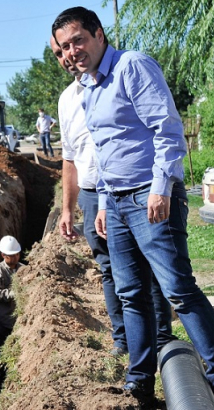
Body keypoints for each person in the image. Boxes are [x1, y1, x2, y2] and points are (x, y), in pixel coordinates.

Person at [52, 7, 214, 410]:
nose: (72, 51)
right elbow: (105, 152)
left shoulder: (132, 67)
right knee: (130, 294)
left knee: (179, 291)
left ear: (98, 35)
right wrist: (104, 203)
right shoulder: (88, 88)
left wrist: (161, 188)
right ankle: (139, 381)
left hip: (150, 198)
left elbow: (168, 129)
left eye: (78, 41)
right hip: (118, 203)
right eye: (64, 47)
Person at [50, 36, 175, 358]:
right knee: (110, 270)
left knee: (151, 268)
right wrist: (67, 209)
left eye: (71, 46)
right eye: (59, 52)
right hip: (94, 195)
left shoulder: (117, 78)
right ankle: (123, 341)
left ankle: (161, 339)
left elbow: (160, 127)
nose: (67, 56)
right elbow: (69, 157)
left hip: (134, 190)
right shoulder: (66, 100)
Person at [0, 235, 23, 345]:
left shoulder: (23, 269)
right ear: (3, 255)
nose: (15, 257)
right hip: (2, 320)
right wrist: (13, 293)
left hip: (19, 320)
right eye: (12, 255)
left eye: (17, 254)